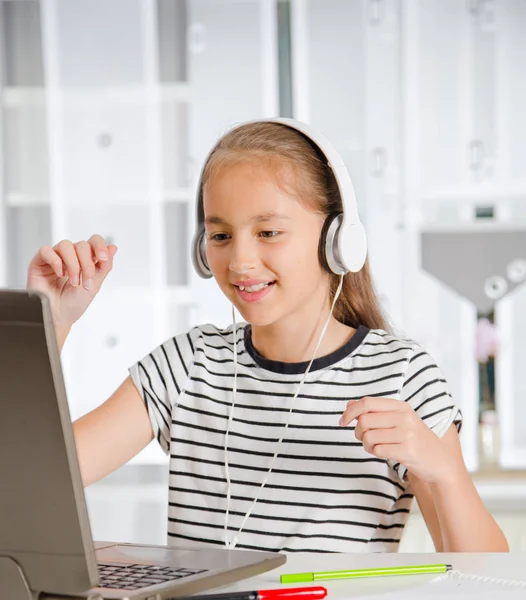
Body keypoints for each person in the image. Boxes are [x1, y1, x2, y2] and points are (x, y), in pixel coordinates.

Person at [26, 119, 508, 554]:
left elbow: (484, 577)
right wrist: (49, 320)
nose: (240, 261)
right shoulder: (189, 366)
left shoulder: (400, 375)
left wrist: (443, 471)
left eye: (269, 232)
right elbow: (34, 482)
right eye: (220, 236)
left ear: (338, 239)